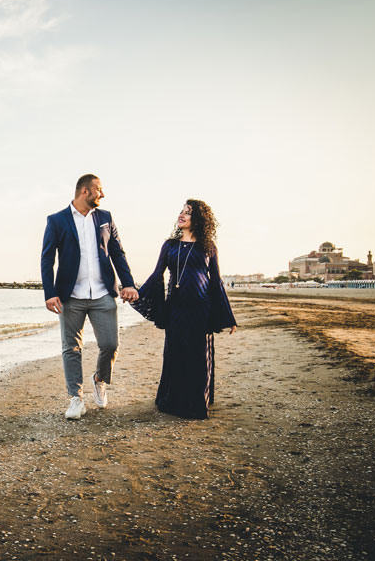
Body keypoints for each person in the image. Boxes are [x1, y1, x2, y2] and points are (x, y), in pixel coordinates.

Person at [41, 174, 139, 420]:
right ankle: (76, 398)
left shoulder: (105, 218)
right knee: (71, 348)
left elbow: (117, 252)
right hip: (70, 296)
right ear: (84, 192)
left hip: (103, 293)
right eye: (99, 190)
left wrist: (128, 283)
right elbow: (47, 258)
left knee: (110, 344)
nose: (102, 194)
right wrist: (50, 293)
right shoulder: (57, 220)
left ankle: (100, 378)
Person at [131, 199, 236, 419]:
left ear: (198, 219)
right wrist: (137, 293)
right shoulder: (169, 245)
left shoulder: (208, 247)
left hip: (201, 309)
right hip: (176, 309)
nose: (182, 215)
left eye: (187, 212)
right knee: (175, 354)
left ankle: (197, 403)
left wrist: (228, 316)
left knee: (199, 356)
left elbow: (216, 282)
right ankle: (172, 402)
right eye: (181, 211)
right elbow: (157, 274)